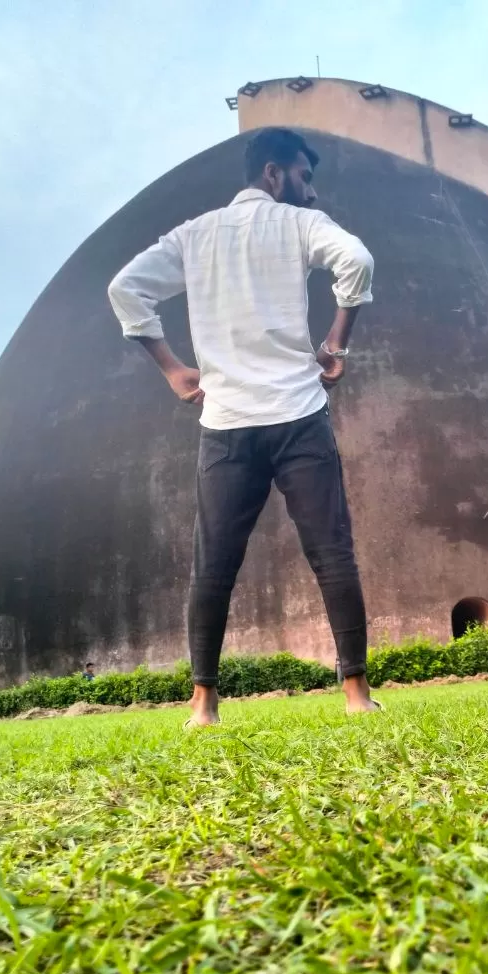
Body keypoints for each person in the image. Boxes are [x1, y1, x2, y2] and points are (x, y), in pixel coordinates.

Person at [107, 127, 379, 726]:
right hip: (299, 415)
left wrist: (174, 370)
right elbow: (356, 261)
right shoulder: (302, 225)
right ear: (274, 175)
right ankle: (357, 695)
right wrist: (337, 342)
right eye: (303, 177)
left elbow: (125, 290)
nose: (310, 190)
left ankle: (203, 706)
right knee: (332, 553)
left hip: (226, 423)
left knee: (214, 564)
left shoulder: (194, 235)